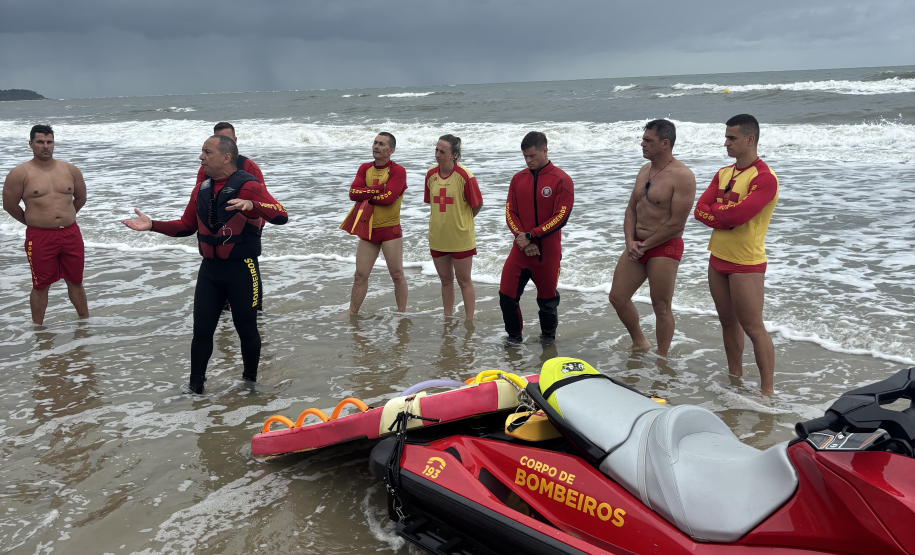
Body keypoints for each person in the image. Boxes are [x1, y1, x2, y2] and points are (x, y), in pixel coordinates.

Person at [121, 135, 289, 394]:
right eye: (202, 152)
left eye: (206, 152)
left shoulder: (248, 186)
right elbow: (186, 226)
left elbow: (281, 215)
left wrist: (252, 204)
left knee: (246, 329)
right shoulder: (202, 188)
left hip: (242, 268)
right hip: (210, 271)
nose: (201, 157)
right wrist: (153, 225)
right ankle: (195, 387)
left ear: (226, 157)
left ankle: (249, 383)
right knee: (201, 331)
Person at [694, 114, 779, 396]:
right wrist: (725, 217)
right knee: (727, 322)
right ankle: (735, 378)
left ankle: (767, 392)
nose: (726, 143)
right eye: (726, 137)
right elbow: (699, 210)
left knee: (753, 327)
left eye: (732, 138)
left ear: (749, 139)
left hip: (746, 263)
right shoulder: (723, 173)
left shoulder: (765, 178)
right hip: (717, 257)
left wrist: (721, 214)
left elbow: (741, 216)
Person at [608, 120, 696, 356]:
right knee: (617, 297)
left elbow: (677, 223)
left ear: (665, 143)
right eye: (643, 139)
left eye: (648, 140)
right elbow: (631, 210)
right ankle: (640, 342)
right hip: (637, 244)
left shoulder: (682, 176)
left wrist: (645, 245)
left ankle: (662, 358)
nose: (642, 144)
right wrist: (630, 241)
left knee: (661, 307)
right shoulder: (644, 170)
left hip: (664, 247)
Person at [2, 124, 89, 325]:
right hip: (40, 236)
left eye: (49, 142)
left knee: (76, 282)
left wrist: (66, 217)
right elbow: (9, 205)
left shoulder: (70, 170)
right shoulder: (19, 173)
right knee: (41, 285)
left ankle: (85, 325)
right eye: (40, 142)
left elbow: (81, 198)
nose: (45, 146)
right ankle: (38, 330)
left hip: (70, 234)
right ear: (30, 144)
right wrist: (33, 222)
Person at [500, 132, 574, 343]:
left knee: (547, 300)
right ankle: (514, 340)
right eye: (525, 156)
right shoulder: (518, 179)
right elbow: (509, 212)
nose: (528, 160)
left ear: (544, 150)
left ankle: (548, 341)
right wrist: (522, 239)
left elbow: (561, 217)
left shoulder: (562, 180)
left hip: (547, 253)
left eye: (532, 155)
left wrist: (532, 235)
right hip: (521, 250)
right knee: (506, 296)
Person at [196, 122, 268, 311]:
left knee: (249, 268)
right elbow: (199, 196)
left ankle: (256, 309)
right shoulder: (206, 168)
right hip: (216, 229)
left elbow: (263, 199)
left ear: (235, 142)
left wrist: (258, 225)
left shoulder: (249, 166)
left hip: (246, 226)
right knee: (217, 265)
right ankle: (222, 306)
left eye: (228, 139)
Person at [343, 133, 408, 314]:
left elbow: (389, 199)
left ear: (391, 150)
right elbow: (353, 194)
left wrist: (368, 194)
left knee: (396, 275)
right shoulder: (365, 168)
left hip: (390, 229)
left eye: (381, 144)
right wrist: (380, 189)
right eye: (374, 143)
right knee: (360, 275)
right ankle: (352, 312)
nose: (376, 147)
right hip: (368, 228)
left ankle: (401, 313)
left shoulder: (398, 171)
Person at [424, 134, 483, 319]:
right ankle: (448, 318)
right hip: (438, 236)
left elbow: (477, 204)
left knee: (464, 282)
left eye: (442, 151)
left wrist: (463, 221)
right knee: (445, 281)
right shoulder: (431, 174)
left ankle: (469, 320)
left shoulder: (465, 175)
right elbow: (431, 203)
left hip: (461, 237)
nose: (437, 154)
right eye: (436, 150)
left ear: (454, 155)